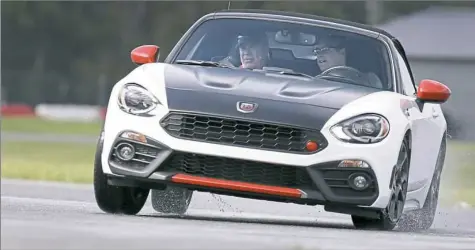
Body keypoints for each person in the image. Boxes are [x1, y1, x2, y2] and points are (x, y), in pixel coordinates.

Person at [313, 34, 383, 88]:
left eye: (325, 49)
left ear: (342, 52)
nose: (319, 54)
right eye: (317, 50)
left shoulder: (368, 80)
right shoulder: (311, 79)